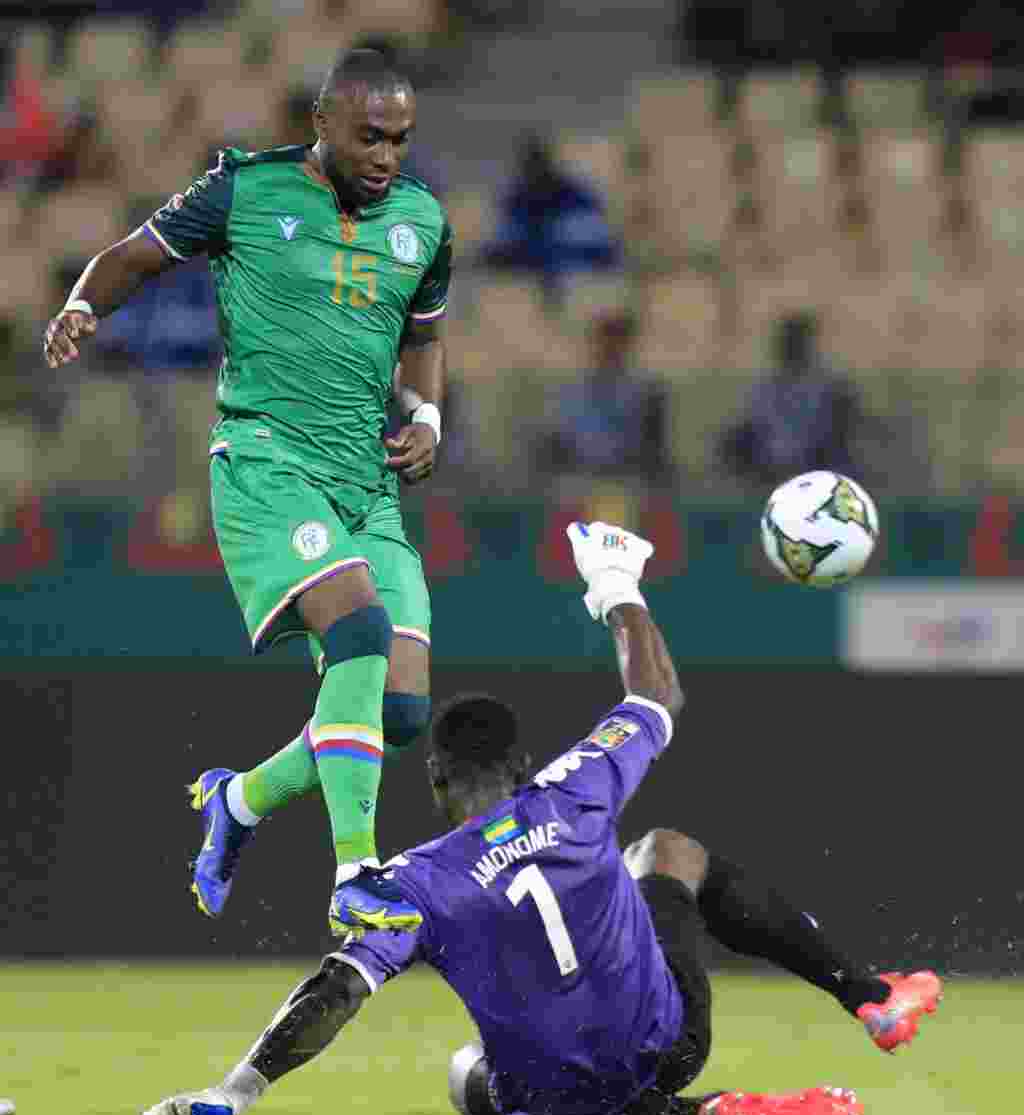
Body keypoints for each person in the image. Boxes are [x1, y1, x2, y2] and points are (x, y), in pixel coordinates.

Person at [139, 521, 942, 1115]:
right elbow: (657, 696)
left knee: (464, 1078)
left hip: (544, 1096)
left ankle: (696, 1112)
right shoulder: (574, 788)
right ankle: (866, 995)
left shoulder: (416, 880)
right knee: (667, 851)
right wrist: (615, 579)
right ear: (521, 769)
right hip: (666, 1045)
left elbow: (337, 990)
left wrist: (235, 1088)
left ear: (436, 782)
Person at [42, 49, 453, 938]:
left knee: (401, 708)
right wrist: (83, 305)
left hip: (365, 482)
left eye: (401, 139)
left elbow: (423, 335)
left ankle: (240, 802)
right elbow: (133, 254)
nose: (388, 156)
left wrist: (426, 415)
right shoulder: (247, 191)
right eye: (371, 137)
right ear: (324, 125)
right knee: (358, 626)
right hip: (269, 463)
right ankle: (356, 872)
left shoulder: (424, 220)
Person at [717, 312, 864, 490]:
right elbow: (748, 434)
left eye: (796, 341)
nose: (791, 347)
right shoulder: (765, 388)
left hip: (817, 472)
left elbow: (840, 438)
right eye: (788, 341)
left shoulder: (832, 388)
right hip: (769, 472)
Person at [481, 132, 620, 310]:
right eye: (531, 165)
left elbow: (598, 238)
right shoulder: (517, 201)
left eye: (538, 164)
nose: (535, 172)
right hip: (534, 269)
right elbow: (501, 243)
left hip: (577, 272)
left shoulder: (574, 196)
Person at [535, 310, 669, 482]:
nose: (611, 348)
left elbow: (656, 456)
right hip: (579, 481)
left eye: (618, 341)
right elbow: (553, 448)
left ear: (628, 345)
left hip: (630, 482)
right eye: (606, 340)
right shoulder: (569, 392)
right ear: (595, 343)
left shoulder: (648, 393)